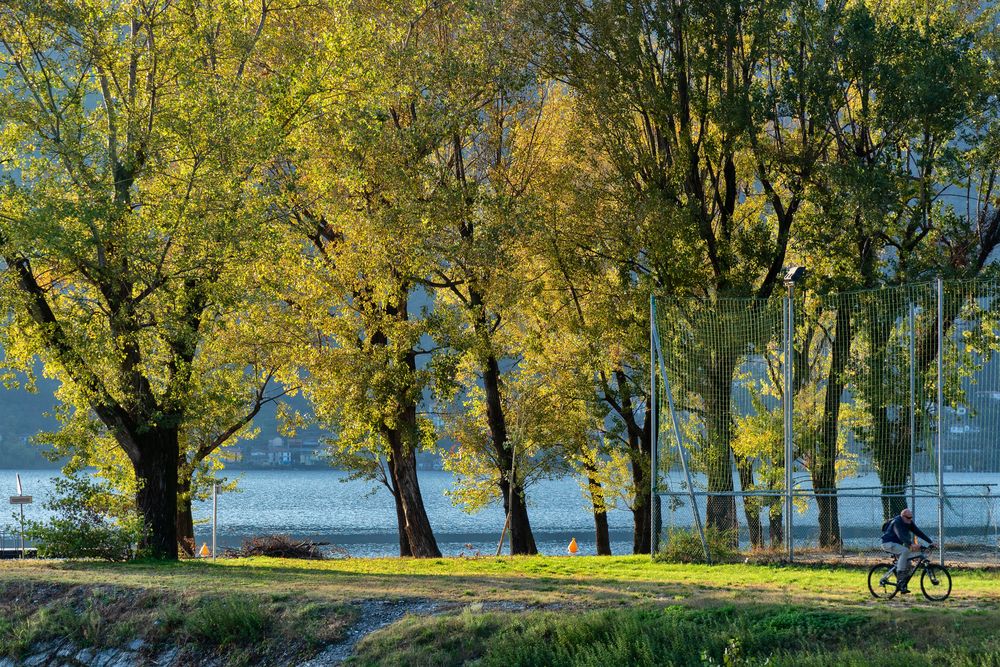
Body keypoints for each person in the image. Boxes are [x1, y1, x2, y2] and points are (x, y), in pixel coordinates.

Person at [881, 508, 935, 593]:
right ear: (903, 516)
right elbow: (901, 536)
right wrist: (911, 544)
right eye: (908, 518)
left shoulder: (908, 522)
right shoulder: (897, 522)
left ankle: (902, 586)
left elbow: (918, 532)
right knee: (905, 551)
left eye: (911, 517)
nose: (910, 519)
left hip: (897, 545)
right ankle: (900, 573)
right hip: (888, 543)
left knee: (908, 564)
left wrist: (930, 542)